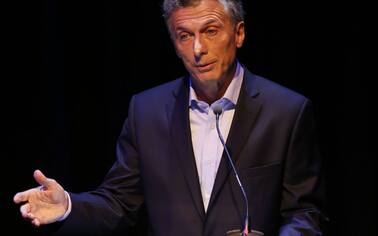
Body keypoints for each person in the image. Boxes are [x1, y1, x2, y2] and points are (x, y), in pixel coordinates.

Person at [14, 0, 325, 235]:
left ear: (239, 33)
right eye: (184, 36)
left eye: (211, 31)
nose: (198, 49)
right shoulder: (146, 111)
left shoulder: (286, 111)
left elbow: (304, 212)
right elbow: (120, 203)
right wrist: (68, 205)